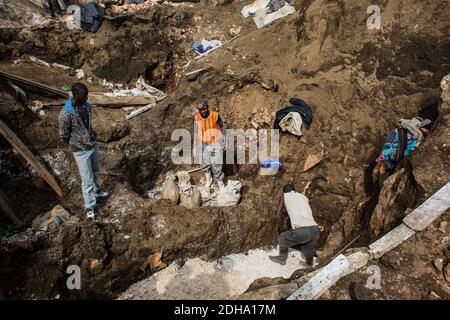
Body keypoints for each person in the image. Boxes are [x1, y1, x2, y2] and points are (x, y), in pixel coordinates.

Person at [58, 83, 108, 219]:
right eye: (84, 96)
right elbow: (63, 134)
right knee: (87, 180)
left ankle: (97, 192)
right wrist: (76, 144)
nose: (87, 98)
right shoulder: (66, 113)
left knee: (96, 171)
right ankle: (90, 206)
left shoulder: (87, 106)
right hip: (80, 151)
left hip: (92, 144)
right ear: (76, 96)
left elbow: (88, 125)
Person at [269, 185, 320, 267]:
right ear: (294, 190)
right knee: (309, 245)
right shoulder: (303, 197)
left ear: (285, 192)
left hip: (302, 230)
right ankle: (309, 263)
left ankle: (281, 259)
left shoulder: (285, 195)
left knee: (282, 238)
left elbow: (278, 216)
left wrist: (282, 230)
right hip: (315, 229)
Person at [372, 117, 432, 183]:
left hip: (390, 156)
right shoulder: (417, 137)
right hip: (392, 157)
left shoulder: (401, 129)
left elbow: (389, 144)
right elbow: (408, 151)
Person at [193, 99, 225, 192]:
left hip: (215, 140)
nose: (202, 111)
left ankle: (220, 182)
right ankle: (209, 180)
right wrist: (195, 147)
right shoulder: (196, 118)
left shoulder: (215, 115)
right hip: (203, 141)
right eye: (200, 110)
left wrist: (224, 140)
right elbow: (196, 131)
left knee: (216, 163)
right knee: (204, 162)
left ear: (207, 107)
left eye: (204, 109)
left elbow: (222, 126)